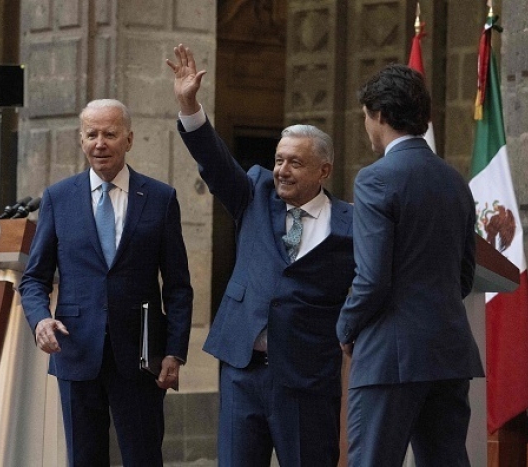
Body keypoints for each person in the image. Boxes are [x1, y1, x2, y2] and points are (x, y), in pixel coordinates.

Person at [166, 44, 355, 467]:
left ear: (323, 170)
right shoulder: (255, 193)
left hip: (306, 378)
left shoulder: (352, 225)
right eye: (278, 160)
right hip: (242, 370)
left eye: (295, 163)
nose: (282, 171)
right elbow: (215, 164)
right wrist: (189, 106)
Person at [18, 99, 193, 467]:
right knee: (84, 459)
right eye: (92, 134)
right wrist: (39, 320)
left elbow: (178, 286)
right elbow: (34, 278)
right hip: (76, 349)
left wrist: (175, 351)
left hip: (142, 354)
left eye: (110, 134)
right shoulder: (57, 198)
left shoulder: (161, 198)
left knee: (144, 457)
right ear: (81, 141)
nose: (101, 143)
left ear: (128, 140)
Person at [337, 64, 484, 467]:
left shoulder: (375, 179)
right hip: (448, 354)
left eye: (366, 116)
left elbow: (371, 279)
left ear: (380, 115)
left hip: (389, 356)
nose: (366, 126)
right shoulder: (455, 181)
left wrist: (346, 327)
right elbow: (464, 276)